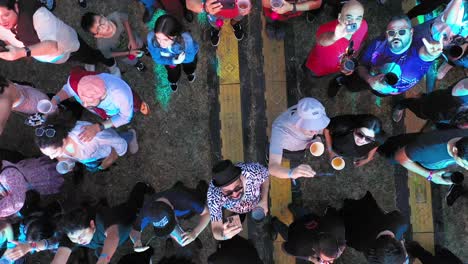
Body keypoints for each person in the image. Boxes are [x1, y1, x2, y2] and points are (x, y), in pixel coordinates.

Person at [329, 15, 443, 97]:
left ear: (411, 32)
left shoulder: (417, 51)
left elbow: (424, 55)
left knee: (377, 92)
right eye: (391, 33)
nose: (396, 36)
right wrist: (370, 80)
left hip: (389, 91)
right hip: (370, 78)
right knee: (354, 85)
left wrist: (431, 54)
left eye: (402, 32)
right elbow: (362, 65)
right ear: (386, 34)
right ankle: (341, 81)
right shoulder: (377, 44)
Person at [0, 0, 120, 76]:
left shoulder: (38, 14)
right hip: (56, 57)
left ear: (16, 6)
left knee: (89, 54)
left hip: (68, 44)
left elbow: (51, 46)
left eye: (6, 15)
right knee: (79, 58)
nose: (2, 21)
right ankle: (89, 61)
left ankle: (111, 64)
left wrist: (22, 52)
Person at [51, 182, 152, 264]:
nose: (79, 241)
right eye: (73, 238)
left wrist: (103, 260)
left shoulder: (104, 218)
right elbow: (58, 260)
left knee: (135, 205)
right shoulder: (73, 233)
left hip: (127, 218)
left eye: (81, 235)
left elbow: (113, 237)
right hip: (123, 236)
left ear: (92, 224)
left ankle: (142, 186)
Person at [51, 67, 149, 142]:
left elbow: (125, 117)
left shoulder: (120, 96)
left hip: (125, 101)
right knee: (104, 115)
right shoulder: (76, 82)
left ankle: (140, 105)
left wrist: (98, 127)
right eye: (81, 98)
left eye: (88, 101)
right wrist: (55, 100)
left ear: (102, 96)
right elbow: (69, 89)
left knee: (134, 103)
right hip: (102, 108)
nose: (84, 105)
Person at [304, 0, 367, 93]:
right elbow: (321, 40)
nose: (354, 23)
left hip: (335, 68)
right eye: (349, 17)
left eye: (358, 18)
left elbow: (361, 42)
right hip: (317, 67)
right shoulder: (326, 30)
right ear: (340, 17)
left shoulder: (363, 25)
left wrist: (350, 58)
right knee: (310, 74)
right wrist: (334, 37)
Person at [35, 118, 137, 172]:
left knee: (122, 137)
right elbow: (65, 154)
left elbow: (117, 142)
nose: (52, 157)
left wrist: (112, 157)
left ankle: (131, 135)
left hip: (107, 148)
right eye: (48, 154)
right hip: (95, 157)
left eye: (54, 153)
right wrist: (65, 161)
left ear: (63, 141)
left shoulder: (91, 138)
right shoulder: (60, 141)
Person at [130, 181, 210, 247]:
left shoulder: (186, 200)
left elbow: (207, 213)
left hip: (186, 199)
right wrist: (136, 241)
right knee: (185, 214)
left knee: (200, 198)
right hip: (175, 200)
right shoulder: (146, 211)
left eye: (172, 223)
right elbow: (134, 230)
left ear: (172, 207)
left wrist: (195, 233)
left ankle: (201, 189)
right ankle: (178, 187)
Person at [268, 97, 330, 180]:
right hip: (288, 150)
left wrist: (317, 138)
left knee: (298, 156)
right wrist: (291, 173)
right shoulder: (280, 130)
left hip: (301, 148)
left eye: (317, 125)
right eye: (311, 127)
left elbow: (321, 131)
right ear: (298, 121)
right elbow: (272, 167)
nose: (315, 132)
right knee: (289, 157)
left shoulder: (313, 110)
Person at [339, 191, 409, 264]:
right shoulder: (363, 245)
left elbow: (395, 213)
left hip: (364, 204)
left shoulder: (400, 223)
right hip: (347, 219)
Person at [207, 160, 269, 240]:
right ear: (220, 189)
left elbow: (266, 177)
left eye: (237, 187)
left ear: (240, 177)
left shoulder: (253, 172)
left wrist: (264, 200)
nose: (235, 195)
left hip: (257, 203)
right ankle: (239, 215)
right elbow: (216, 230)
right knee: (237, 218)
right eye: (228, 192)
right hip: (236, 209)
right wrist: (224, 235)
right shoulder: (214, 195)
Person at [379, 129, 468, 185]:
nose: (466, 168)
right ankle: (377, 142)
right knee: (388, 154)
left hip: (419, 155)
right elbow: (400, 157)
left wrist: (447, 169)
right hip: (401, 149)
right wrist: (431, 177)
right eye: (464, 165)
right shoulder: (424, 148)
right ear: (455, 150)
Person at [271, 207, 346, 263]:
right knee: (287, 233)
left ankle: (293, 206)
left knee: (302, 214)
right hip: (294, 232)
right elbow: (284, 247)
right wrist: (311, 259)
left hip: (310, 218)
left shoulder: (337, 226)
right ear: (313, 249)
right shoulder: (300, 247)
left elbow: (329, 210)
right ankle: (274, 222)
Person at [81, 12, 146, 73]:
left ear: (103, 16)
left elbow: (125, 19)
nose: (104, 26)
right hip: (124, 55)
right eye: (98, 29)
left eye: (101, 21)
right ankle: (138, 64)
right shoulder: (102, 45)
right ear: (97, 35)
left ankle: (145, 49)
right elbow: (109, 54)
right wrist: (128, 53)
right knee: (132, 61)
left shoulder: (116, 16)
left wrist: (131, 39)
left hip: (134, 39)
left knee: (140, 44)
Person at [147, 14, 199, 92]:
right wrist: (173, 61)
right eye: (158, 38)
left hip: (185, 56)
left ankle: (190, 72)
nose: (161, 44)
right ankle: (173, 81)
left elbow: (190, 57)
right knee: (172, 72)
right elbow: (157, 58)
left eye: (165, 39)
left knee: (190, 65)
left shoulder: (185, 39)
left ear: (174, 36)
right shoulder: (151, 37)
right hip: (169, 59)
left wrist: (180, 60)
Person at [391, 78, 468, 128]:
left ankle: (422, 97)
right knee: (421, 111)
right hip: (440, 107)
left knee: (426, 108)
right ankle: (402, 104)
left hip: (449, 115)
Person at [186, 0, 250, 47]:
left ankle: (234, 24)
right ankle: (216, 29)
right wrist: (205, 7)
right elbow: (190, 3)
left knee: (237, 18)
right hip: (214, 12)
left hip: (239, 8)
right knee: (215, 23)